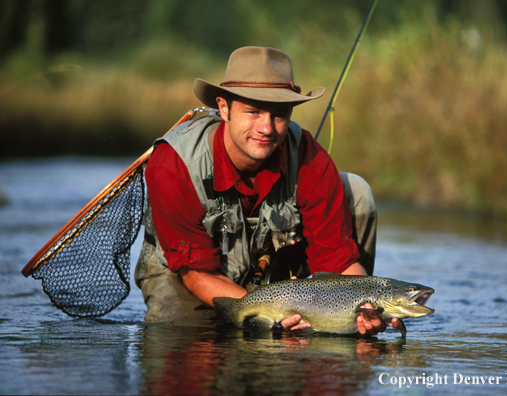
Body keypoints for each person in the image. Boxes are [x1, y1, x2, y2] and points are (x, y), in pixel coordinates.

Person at [134, 46, 400, 336]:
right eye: (253, 111)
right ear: (224, 108)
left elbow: (338, 262)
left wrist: (365, 309)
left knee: (356, 190)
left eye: (279, 115)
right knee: (186, 343)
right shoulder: (173, 166)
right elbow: (198, 273)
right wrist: (270, 311)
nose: (267, 128)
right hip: (186, 273)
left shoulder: (311, 158)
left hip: (278, 279)